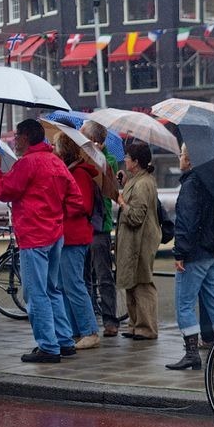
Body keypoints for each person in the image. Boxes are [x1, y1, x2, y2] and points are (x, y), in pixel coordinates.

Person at [0, 119, 84, 363]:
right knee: (53, 290)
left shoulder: (27, 164)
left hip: (33, 235)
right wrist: (57, 215)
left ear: (25, 137)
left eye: (17, 136)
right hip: (55, 234)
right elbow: (75, 198)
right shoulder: (55, 161)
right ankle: (64, 341)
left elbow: (4, 191)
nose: (14, 141)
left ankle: (48, 347)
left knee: (35, 293)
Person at [166, 143, 214, 370]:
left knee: (184, 304)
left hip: (196, 253)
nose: (179, 158)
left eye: (182, 154)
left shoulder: (192, 184)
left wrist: (180, 253)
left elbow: (186, 222)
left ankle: (192, 353)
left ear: (190, 160)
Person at [51, 132, 101, 350]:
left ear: (64, 150)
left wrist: (58, 203)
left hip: (74, 236)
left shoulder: (79, 174)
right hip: (66, 236)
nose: (52, 149)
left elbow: (82, 206)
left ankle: (90, 331)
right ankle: (73, 330)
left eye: (55, 146)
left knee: (74, 285)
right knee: (63, 285)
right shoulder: (69, 172)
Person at [115, 141, 161, 341]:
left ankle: (146, 327)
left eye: (127, 157)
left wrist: (122, 203)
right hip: (133, 240)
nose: (124, 160)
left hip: (140, 241)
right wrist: (125, 183)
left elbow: (136, 216)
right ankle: (135, 324)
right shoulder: (139, 180)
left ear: (136, 161)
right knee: (131, 281)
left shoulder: (143, 184)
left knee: (142, 282)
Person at [80, 120, 121, 338]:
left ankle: (110, 320)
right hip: (83, 225)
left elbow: (109, 186)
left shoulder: (109, 161)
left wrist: (97, 156)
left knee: (104, 275)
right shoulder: (79, 160)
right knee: (84, 276)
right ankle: (88, 320)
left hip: (100, 226)